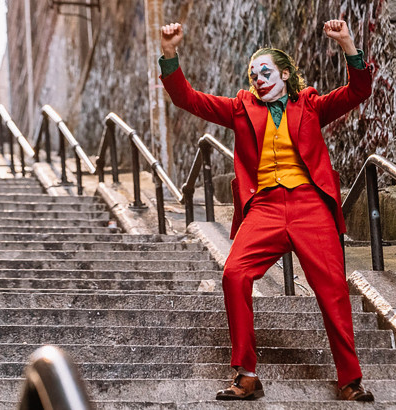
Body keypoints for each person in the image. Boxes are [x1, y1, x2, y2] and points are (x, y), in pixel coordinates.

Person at [159, 19, 373, 401]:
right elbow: (187, 99)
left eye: (266, 72)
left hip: (310, 205)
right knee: (234, 274)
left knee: (333, 288)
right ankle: (247, 374)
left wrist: (347, 44)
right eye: (253, 75)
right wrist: (170, 53)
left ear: (285, 74)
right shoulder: (241, 108)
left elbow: (358, 90)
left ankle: (349, 379)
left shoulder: (309, 104)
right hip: (264, 207)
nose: (258, 79)